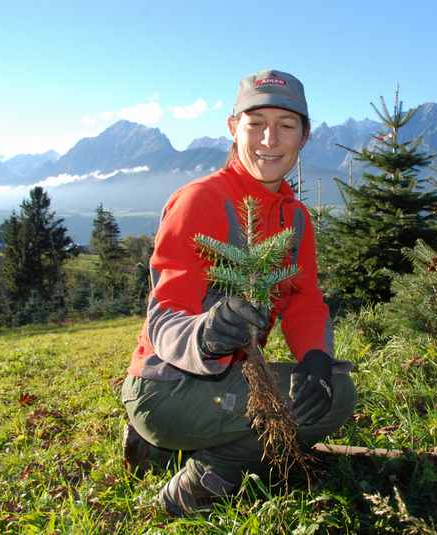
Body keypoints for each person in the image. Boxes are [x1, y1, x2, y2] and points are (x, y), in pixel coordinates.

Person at [120, 68, 357, 516]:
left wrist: (316, 359)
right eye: (256, 123)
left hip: (237, 379)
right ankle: (199, 483)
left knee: (334, 389)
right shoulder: (200, 200)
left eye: (286, 125)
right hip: (168, 385)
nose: (270, 139)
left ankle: (174, 445)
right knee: (327, 406)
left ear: (304, 136)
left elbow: (304, 298)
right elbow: (165, 312)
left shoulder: (297, 219)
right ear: (234, 128)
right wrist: (207, 334)